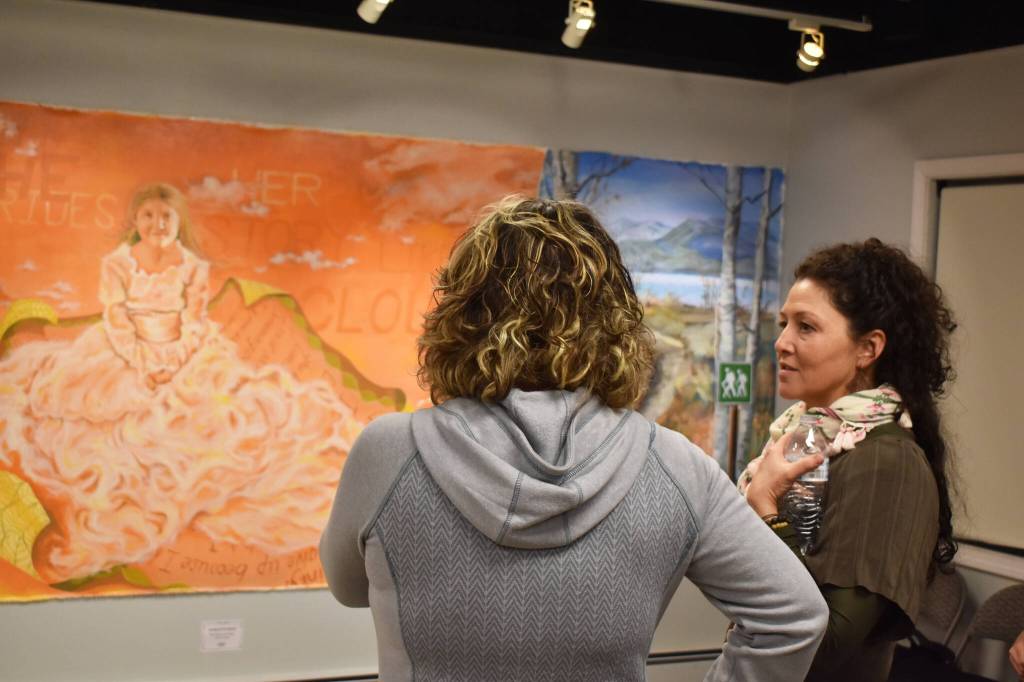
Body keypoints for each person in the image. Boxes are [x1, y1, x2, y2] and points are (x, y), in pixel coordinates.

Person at [320, 196, 828, 681]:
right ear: (616, 323)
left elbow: (348, 587)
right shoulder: (674, 466)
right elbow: (794, 618)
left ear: (461, 316)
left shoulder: (389, 452)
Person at [0, 182, 359, 583]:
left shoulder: (191, 267)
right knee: (93, 415)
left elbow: (193, 318)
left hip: (182, 349)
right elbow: (117, 316)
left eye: (165, 217)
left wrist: (174, 359)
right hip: (123, 348)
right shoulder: (120, 264)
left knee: (218, 419)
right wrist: (141, 359)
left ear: (178, 222)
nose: (157, 224)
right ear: (136, 221)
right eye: (148, 216)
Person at [739, 238, 958, 681]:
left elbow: (827, 641)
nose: (780, 342)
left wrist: (764, 506)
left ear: (868, 349)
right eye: (784, 324)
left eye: (806, 327)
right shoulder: (802, 440)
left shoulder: (886, 463)